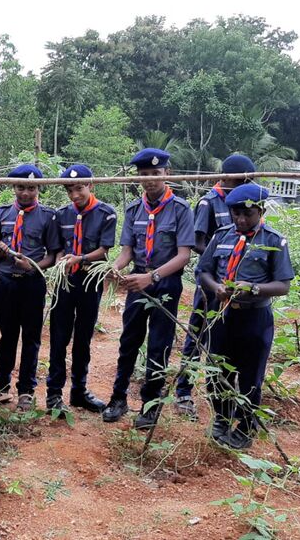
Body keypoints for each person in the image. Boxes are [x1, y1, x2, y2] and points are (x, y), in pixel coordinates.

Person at [103, 148, 194, 428]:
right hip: (136, 284)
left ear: (167, 173)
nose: (150, 179)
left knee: (159, 346)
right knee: (128, 342)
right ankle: (118, 399)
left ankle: (150, 405)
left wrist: (151, 277)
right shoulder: (133, 210)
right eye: (144, 175)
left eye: (156, 174)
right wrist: (114, 268)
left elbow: (183, 255)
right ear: (138, 177)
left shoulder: (180, 209)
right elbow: (127, 252)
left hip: (165, 284)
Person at [197, 184, 294, 449]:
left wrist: (253, 288)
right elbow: (203, 271)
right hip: (223, 316)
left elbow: (283, 285)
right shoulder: (221, 236)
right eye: (236, 213)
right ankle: (221, 418)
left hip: (255, 317)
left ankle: (245, 426)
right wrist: (215, 287)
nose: (241, 219)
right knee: (218, 371)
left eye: (247, 214)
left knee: (250, 375)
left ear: (260, 211)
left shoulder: (273, 241)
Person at [175, 154, 257, 419]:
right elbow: (198, 243)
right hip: (212, 283)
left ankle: (226, 394)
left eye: (249, 180)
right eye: (242, 179)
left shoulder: (249, 203)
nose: (246, 184)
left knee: (227, 339)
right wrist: (219, 255)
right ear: (227, 177)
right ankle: (183, 391)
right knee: (197, 334)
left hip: (238, 288)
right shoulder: (209, 202)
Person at [0, 164, 61, 411]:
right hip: (5, 282)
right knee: (7, 335)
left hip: (32, 283)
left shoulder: (48, 216)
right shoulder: (2, 213)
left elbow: (52, 254)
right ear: (13, 187)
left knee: (31, 337)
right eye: (20, 187)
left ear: (38, 188)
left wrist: (33, 266)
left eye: (30, 188)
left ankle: (26, 390)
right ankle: (2, 384)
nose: (25, 193)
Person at [46, 164, 117, 414]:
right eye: (70, 190)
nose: (75, 195)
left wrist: (80, 259)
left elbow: (103, 251)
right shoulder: (61, 214)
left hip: (90, 282)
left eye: (79, 188)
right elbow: (57, 250)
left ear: (90, 186)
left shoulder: (107, 214)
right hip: (65, 284)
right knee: (58, 338)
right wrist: (59, 265)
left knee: (83, 339)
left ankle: (79, 391)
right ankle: (53, 393)